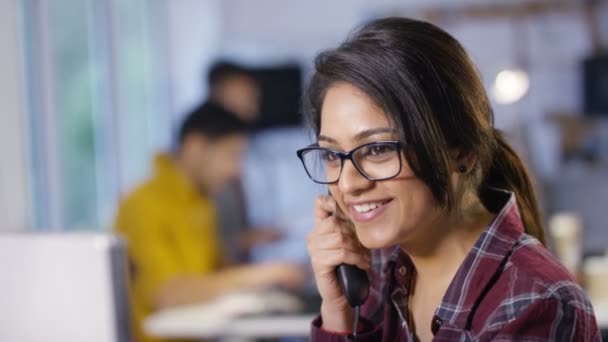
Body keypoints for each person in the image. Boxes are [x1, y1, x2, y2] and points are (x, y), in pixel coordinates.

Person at [299, 17, 601, 341]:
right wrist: (338, 309)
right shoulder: (383, 269)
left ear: (462, 152)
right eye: (331, 155)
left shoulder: (533, 304)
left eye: (378, 149)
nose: (347, 185)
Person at [115, 103, 304, 342]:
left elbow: (216, 276)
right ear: (195, 147)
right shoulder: (143, 204)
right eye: (230, 155)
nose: (236, 170)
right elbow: (168, 294)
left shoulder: (203, 202)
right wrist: (265, 274)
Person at [206, 60, 284, 263]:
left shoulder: (244, 148)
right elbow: (209, 241)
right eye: (246, 98)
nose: (253, 110)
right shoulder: (202, 163)